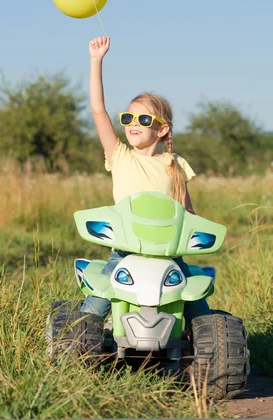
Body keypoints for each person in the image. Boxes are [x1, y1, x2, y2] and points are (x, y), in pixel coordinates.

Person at [80, 36, 210, 325]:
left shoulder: (175, 165)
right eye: (128, 118)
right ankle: (72, 348)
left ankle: (210, 346)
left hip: (169, 256)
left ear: (162, 130)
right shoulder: (120, 156)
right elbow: (98, 109)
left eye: (144, 120)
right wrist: (96, 60)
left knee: (199, 308)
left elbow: (187, 213)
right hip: (125, 253)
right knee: (96, 304)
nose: (134, 124)